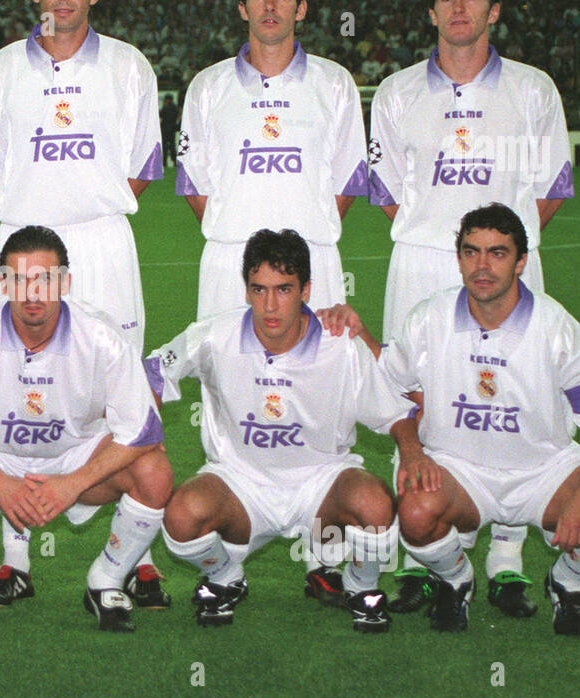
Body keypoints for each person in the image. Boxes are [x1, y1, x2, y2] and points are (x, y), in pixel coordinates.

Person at [367, 0, 575, 614]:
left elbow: (552, 187)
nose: (460, 8)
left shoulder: (534, 89)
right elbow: (387, 193)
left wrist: (500, 257)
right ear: (431, 13)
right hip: (423, 261)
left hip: (510, 269)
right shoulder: (397, 92)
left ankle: (508, 555)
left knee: (517, 393)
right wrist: (445, 246)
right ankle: (420, 551)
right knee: (415, 400)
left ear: (494, 10)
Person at [0, 0, 168, 607]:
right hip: (25, 245)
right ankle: (15, 559)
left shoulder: (128, 65)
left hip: (103, 242)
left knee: (123, 390)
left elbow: (142, 167)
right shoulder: (1, 70)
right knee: (15, 386)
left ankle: (134, 556)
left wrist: (86, 205)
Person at [353, 204, 580, 635]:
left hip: (543, 470)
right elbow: (394, 389)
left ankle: (567, 581)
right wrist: (412, 452)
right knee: (414, 511)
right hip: (460, 469)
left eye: (498, 253)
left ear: (521, 261)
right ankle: (455, 581)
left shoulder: (556, 326)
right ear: (459, 257)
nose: (482, 266)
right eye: (471, 252)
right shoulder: (429, 317)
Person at [0, 226, 172, 632]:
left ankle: (106, 580)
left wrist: (73, 482)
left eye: (45, 278)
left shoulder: (103, 336)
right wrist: (0, 482)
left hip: (75, 459)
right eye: (20, 279)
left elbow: (142, 431)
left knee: (155, 472)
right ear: (3, 282)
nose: (33, 293)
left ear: (66, 282)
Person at [148, 229, 409, 629]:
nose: (270, 305)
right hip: (241, 488)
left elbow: (394, 413)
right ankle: (224, 577)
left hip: (321, 490)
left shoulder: (338, 343)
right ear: (247, 289)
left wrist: (414, 453)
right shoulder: (215, 336)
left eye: (284, 289)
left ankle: (362, 586)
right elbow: (151, 373)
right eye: (259, 289)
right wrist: (146, 437)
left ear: (306, 289)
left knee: (374, 504)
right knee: (182, 517)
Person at [176, 0, 367, 319]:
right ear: (242, 8)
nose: (270, 5)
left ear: (301, 9)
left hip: (312, 254)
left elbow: (347, 179)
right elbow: (195, 184)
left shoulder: (335, 82)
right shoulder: (208, 85)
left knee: (316, 369)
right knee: (227, 372)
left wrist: (309, 225)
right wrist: (234, 227)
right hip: (230, 257)